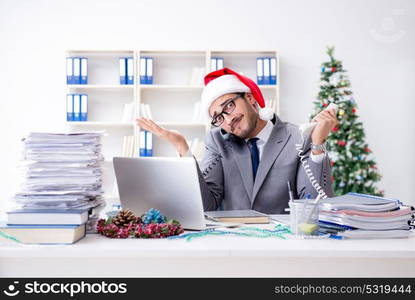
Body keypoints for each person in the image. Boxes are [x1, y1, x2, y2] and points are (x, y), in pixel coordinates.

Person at [136, 68, 338, 214]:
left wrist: (318, 145)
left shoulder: (297, 137)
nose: (228, 119)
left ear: (250, 98)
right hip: (233, 245)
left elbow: (315, 206)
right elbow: (206, 205)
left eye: (229, 105)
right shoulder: (217, 141)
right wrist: (183, 148)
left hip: (282, 246)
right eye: (218, 117)